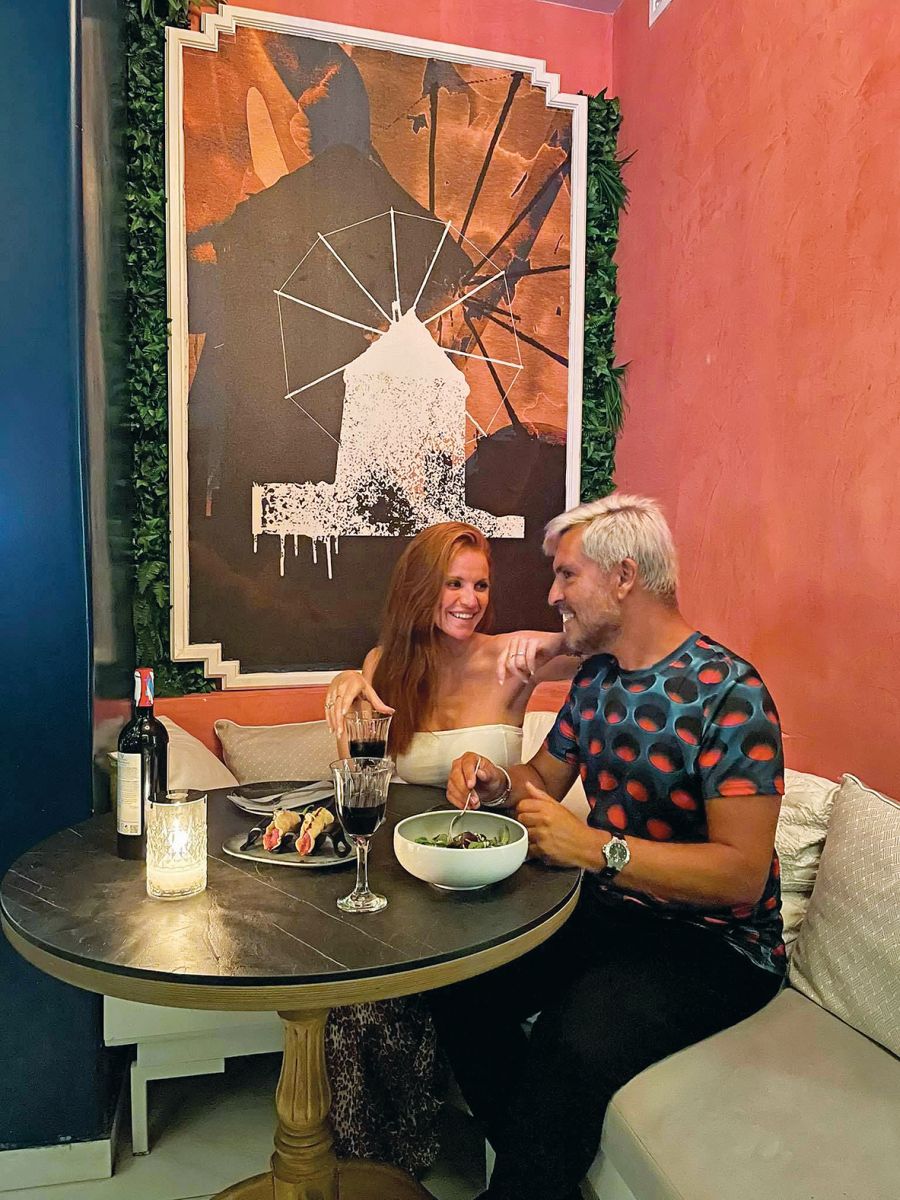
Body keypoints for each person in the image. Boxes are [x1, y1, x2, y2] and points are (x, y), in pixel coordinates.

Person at [433, 494, 786, 1200]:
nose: (552, 595)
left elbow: (742, 875)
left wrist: (597, 849)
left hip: (718, 944)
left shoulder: (731, 693)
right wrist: (498, 780)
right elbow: (543, 778)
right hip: (614, 910)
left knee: (572, 1039)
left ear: (624, 577)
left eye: (567, 575)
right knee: (461, 987)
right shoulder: (597, 678)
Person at [322, 521, 577, 1174]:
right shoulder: (384, 666)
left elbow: (599, 645)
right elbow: (360, 782)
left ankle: (432, 1152)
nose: (469, 600)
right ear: (419, 588)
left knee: (436, 995)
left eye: (480, 586)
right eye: (453, 584)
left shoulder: (513, 656)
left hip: (497, 883)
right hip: (408, 881)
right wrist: (350, 685)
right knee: (357, 1000)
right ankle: (375, 1166)